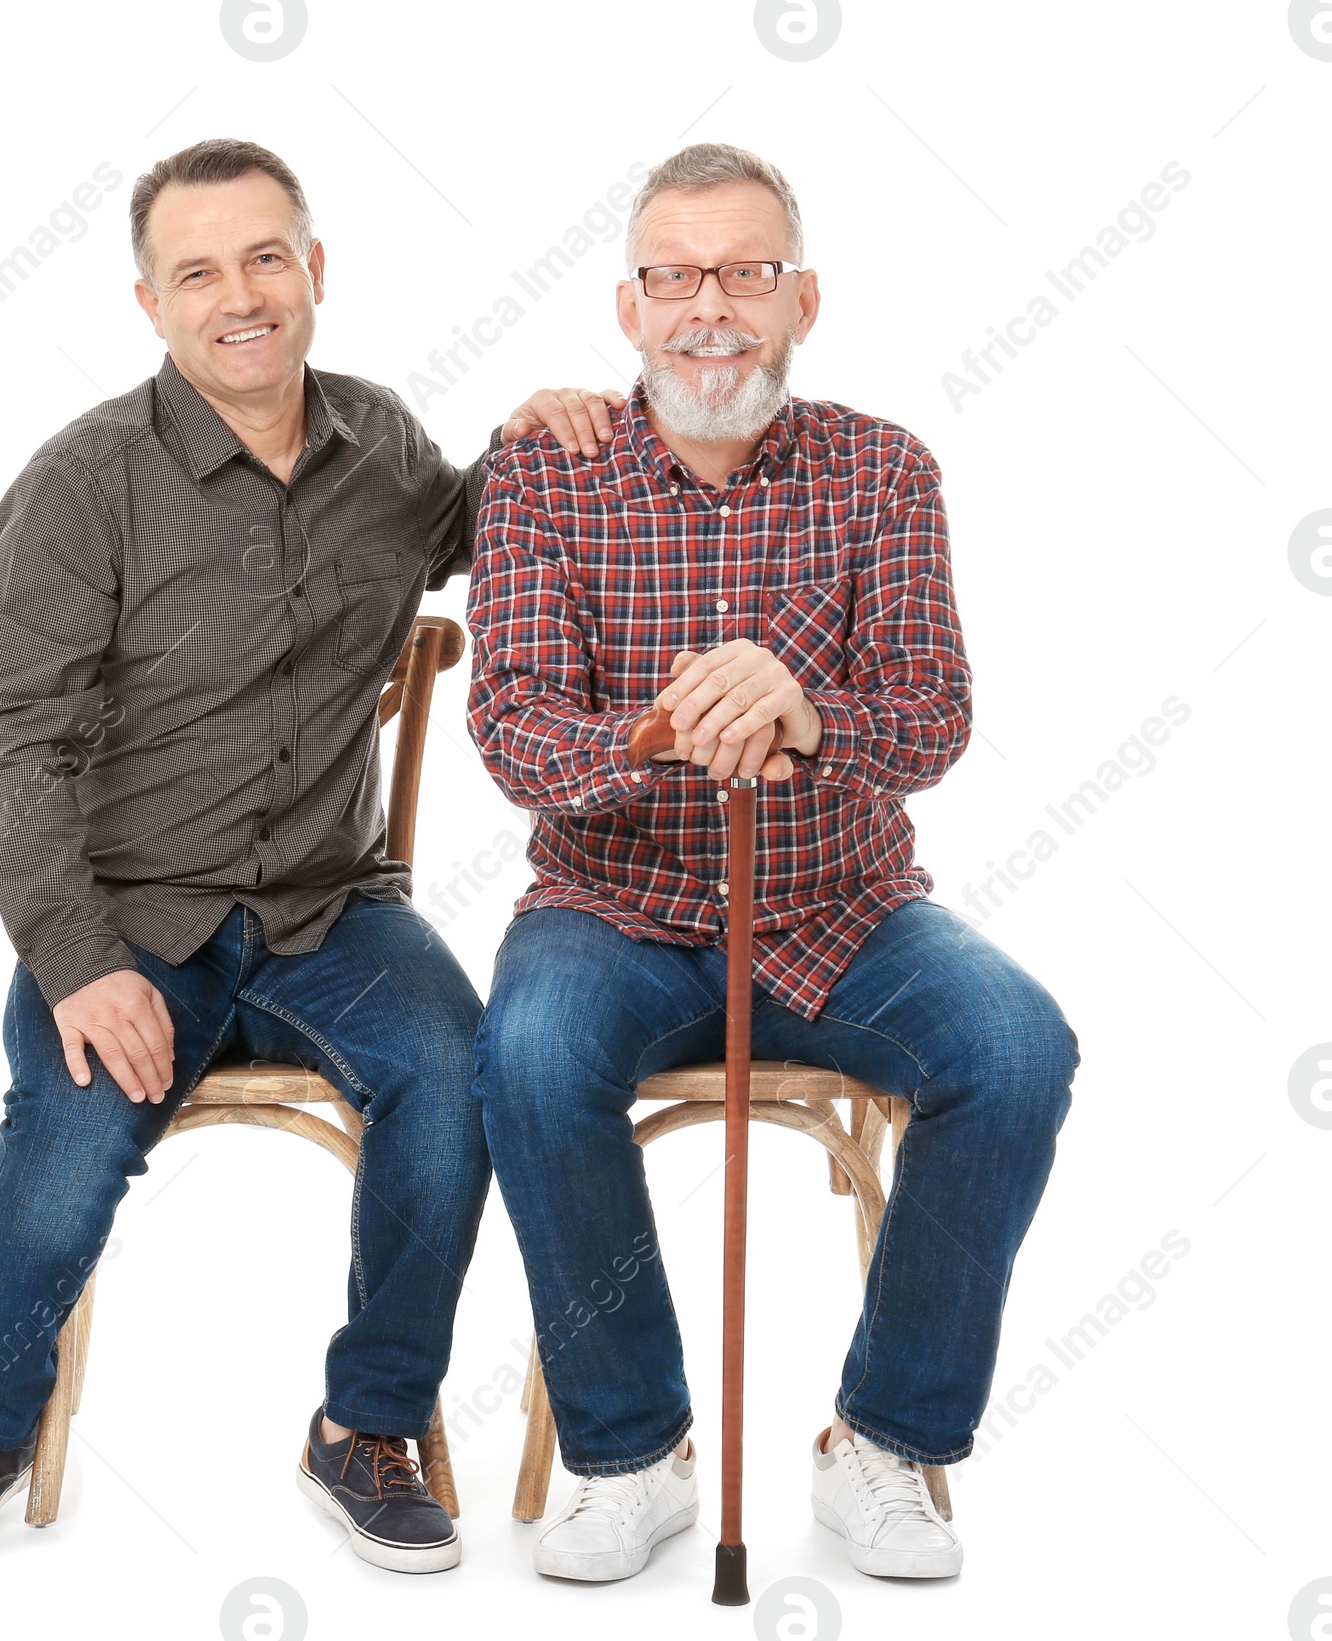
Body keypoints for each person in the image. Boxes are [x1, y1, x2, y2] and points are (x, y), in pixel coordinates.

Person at [0, 136, 621, 1572]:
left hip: (327, 913)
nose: (242, 294)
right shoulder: (84, 482)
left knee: (465, 1075)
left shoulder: (383, 444)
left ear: (315, 271)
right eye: (200, 270)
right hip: (130, 913)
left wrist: (525, 444)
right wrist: (80, 964)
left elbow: (467, 525)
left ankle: (366, 1423)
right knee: (66, 1139)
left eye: (267, 257)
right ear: (150, 303)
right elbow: (16, 752)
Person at [467, 141, 1080, 1583]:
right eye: (675, 276)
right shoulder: (544, 472)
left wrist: (810, 711)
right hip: (613, 907)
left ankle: (882, 1439)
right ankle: (630, 1453)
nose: (712, 308)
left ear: (804, 297)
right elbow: (512, 732)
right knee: (528, 1057)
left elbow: (933, 716)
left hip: (841, 905)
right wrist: (673, 728)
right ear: (629, 308)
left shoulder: (883, 468)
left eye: (748, 273)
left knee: (1018, 1042)